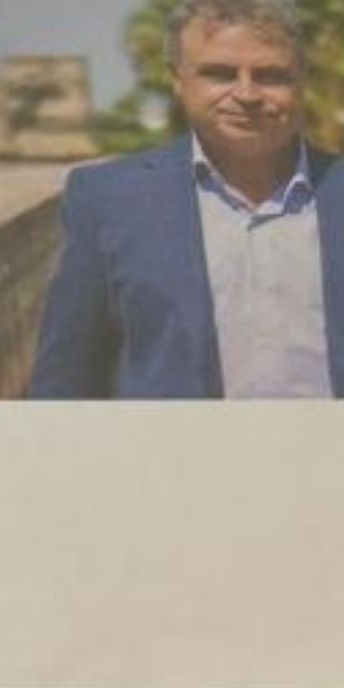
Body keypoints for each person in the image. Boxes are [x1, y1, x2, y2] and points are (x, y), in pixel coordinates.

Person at [31, 0, 344, 399]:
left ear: (301, 81)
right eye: (219, 73)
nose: (246, 93)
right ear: (178, 80)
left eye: (270, 75)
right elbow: (67, 375)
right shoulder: (108, 199)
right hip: (170, 459)